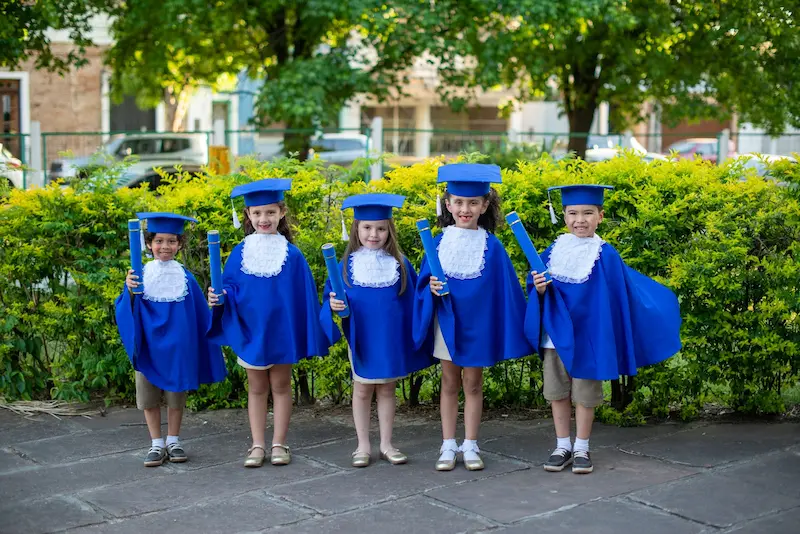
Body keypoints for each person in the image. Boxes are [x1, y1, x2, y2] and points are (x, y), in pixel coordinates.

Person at [527, 184, 682, 474]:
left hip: (591, 337)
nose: (580, 219)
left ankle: (582, 447)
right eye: (573, 213)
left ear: (600, 216)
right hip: (556, 338)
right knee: (557, 392)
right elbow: (536, 286)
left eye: (588, 213)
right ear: (563, 216)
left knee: (585, 394)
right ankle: (562, 445)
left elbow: (622, 293)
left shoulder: (605, 255)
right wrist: (537, 288)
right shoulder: (552, 251)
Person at [414, 163, 534, 471]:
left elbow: (504, 290)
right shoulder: (437, 243)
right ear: (448, 204)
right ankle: (447, 444)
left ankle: (470, 444)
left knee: (474, 384)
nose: (465, 209)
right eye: (458, 202)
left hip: (479, 326)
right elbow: (423, 283)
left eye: (472, 203)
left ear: (484, 205)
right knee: (449, 382)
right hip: (448, 324)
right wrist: (430, 287)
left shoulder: (491, 247)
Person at [207, 179, 334, 468]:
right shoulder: (240, 252)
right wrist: (220, 296)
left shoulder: (293, 255)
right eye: (257, 213)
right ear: (248, 216)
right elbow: (231, 288)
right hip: (251, 330)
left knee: (280, 386)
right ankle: (257, 445)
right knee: (256, 388)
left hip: (281, 332)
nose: (264, 219)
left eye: (270, 212)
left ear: (282, 213)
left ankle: (279, 443)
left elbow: (300, 296)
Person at [321, 193, 435, 468]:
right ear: (356, 229)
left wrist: (430, 292)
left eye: (381, 228)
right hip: (362, 337)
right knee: (361, 390)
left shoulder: (399, 265)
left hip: (389, 339)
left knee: (386, 390)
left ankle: (386, 444)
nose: (374, 234)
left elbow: (415, 300)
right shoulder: (345, 267)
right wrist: (334, 306)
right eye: (367, 228)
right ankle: (362, 445)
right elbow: (330, 297)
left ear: (389, 231)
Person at [115, 212, 227, 467]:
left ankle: (173, 440)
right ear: (148, 243)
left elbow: (199, 315)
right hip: (148, 346)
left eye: (171, 241)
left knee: (177, 396)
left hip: (179, 348)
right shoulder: (139, 276)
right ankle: (156, 443)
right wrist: (130, 292)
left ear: (179, 244)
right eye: (159, 241)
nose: (165, 247)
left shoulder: (186, 280)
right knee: (148, 397)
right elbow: (125, 310)